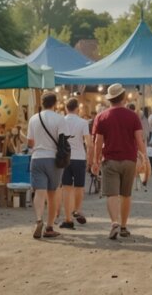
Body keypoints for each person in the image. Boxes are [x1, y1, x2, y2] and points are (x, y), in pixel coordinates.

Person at [92, 84, 149, 240]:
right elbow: (139, 139)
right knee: (126, 195)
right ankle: (123, 227)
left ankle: (114, 223)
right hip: (129, 160)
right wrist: (144, 158)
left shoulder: (102, 117)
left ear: (110, 99)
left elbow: (98, 142)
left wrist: (95, 161)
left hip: (110, 160)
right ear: (123, 98)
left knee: (112, 194)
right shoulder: (133, 116)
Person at [27, 91, 68, 239]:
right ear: (55, 103)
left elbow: (30, 142)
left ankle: (39, 219)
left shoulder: (33, 119)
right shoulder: (59, 119)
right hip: (53, 159)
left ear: (41, 103)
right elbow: (63, 141)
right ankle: (49, 227)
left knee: (39, 192)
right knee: (52, 194)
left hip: (37, 158)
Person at [59, 98, 92, 230]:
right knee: (79, 187)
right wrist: (91, 159)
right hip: (79, 158)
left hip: (65, 158)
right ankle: (77, 209)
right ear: (78, 108)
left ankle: (68, 219)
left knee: (66, 188)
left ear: (66, 108)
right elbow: (89, 143)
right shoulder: (83, 122)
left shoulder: (61, 121)